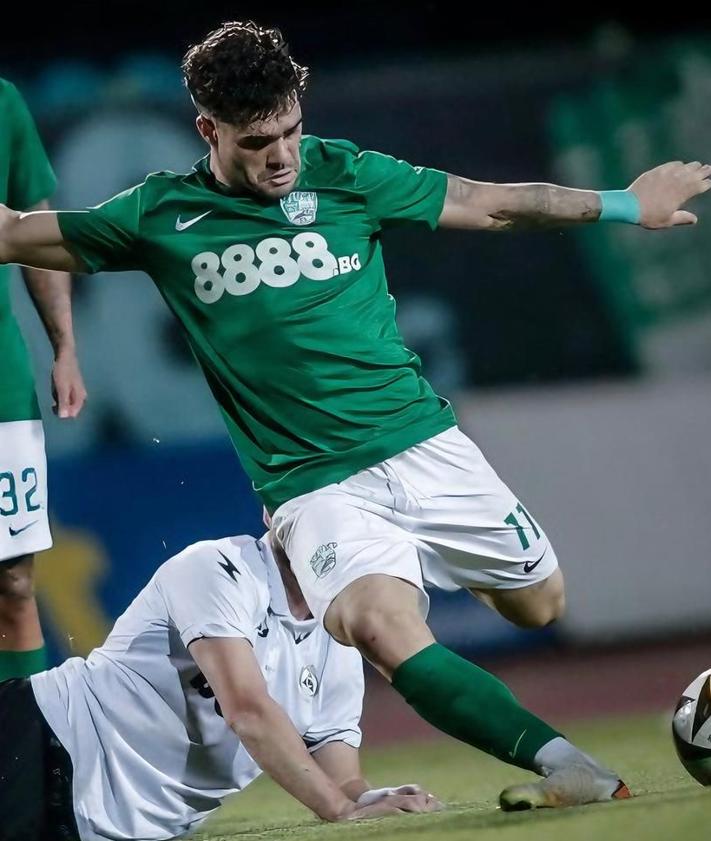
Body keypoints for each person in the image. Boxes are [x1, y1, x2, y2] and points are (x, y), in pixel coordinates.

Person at [1, 20, 708, 808]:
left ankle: (465, 594)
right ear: (207, 128)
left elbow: (490, 203)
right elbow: (15, 234)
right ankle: (569, 765)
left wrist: (624, 203)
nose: (281, 155)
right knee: (377, 624)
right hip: (314, 486)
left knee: (540, 604)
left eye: (291, 129)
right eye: (258, 139)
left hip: (425, 446)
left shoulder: (346, 174)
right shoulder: (159, 215)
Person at [0, 531, 440, 840]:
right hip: (41, 744)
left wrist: (365, 798)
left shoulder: (335, 633)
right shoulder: (218, 566)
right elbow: (247, 713)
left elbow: (339, 774)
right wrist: (342, 812)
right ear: (274, 516)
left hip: (117, 825)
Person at [0, 78, 86, 683]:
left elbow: (35, 225)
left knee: (13, 578)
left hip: (0, 383)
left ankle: (16, 764)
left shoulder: (4, 102)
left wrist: (64, 346)